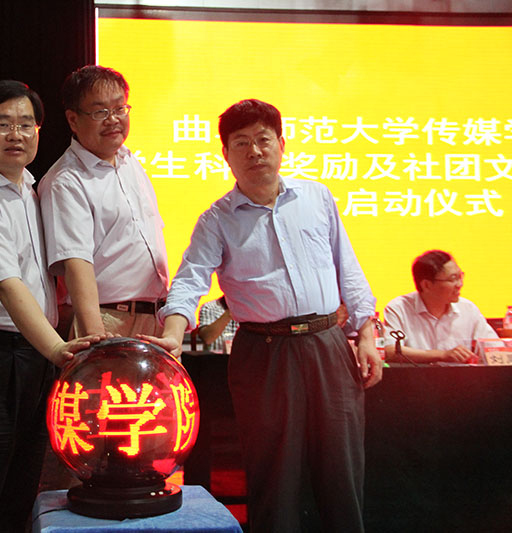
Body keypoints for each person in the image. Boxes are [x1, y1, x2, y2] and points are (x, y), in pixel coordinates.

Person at [144, 99, 382, 532]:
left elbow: (347, 267)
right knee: (274, 478)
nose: (254, 151)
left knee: (342, 473)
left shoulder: (316, 196)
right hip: (264, 353)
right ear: (226, 154)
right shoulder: (217, 220)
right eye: (241, 143)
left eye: (263, 140)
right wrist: (174, 334)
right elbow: (190, 280)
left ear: (281, 145)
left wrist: (366, 334)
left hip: (328, 344)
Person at [0, 80, 102, 532]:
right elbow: (10, 288)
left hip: (30, 356)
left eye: (26, 124)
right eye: (3, 124)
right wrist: (58, 349)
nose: (16, 135)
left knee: (19, 492)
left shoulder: (29, 187)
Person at [39, 65, 169, 338]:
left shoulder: (129, 161)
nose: (113, 120)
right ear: (73, 120)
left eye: (120, 109)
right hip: (106, 320)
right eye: (100, 112)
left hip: (154, 318)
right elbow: (77, 264)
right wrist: (96, 335)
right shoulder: (66, 181)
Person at [383, 249, 497, 364]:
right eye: (453, 279)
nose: (459, 284)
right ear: (426, 285)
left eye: (460, 276)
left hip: (461, 375)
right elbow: (390, 351)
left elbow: (495, 348)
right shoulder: (399, 308)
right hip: (417, 375)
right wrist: (442, 355)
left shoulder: (468, 309)